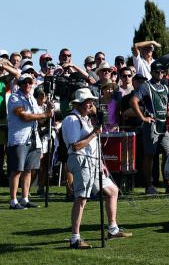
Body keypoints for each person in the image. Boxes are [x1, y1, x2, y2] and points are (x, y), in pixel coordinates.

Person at [61, 88, 133, 248]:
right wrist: (94, 133)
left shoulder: (86, 119)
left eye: (91, 102)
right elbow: (75, 146)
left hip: (92, 162)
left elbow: (93, 144)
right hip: (81, 161)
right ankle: (75, 238)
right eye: (88, 102)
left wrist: (100, 162)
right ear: (79, 104)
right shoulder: (72, 120)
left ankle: (113, 229)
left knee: (112, 191)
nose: (91, 105)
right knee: (81, 198)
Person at [7, 72, 53, 209]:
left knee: (29, 170)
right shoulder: (14, 98)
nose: (27, 84)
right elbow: (24, 117)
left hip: (34, 138)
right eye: (24, 82)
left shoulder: (32, 99)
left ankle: (24, 198)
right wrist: (44, 114)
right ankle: (13, 200)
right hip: (20, 138)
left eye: (29, 82)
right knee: (17, 170)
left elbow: (40, 119)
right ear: (20, 84)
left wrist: (49, 111)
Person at [131, 61, 169, 195]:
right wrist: (143, 118)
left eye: (162, 72)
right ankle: (149, 185)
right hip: (151, 126)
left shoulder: (165, 87)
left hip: (164, 126)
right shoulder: (146, 86)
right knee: (149, 155)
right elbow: (133, 101)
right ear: (152, 72)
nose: (160, 74)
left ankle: (168, 183)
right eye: (157, 72)